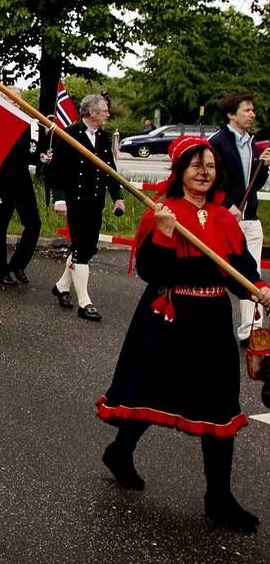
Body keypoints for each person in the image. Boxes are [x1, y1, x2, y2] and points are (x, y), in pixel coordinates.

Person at [96, 136, 270, 533]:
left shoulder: (226, 218)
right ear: (179, 171)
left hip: (211, 320)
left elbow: (239, 269)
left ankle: (219, 496)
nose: (204, 172)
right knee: (150, 391)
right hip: (167, 318)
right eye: (195, 165)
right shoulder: (163, 213)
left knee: (219, 402)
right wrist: (164, 233)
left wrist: (257, 288)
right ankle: (120, 452)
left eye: (209, 165)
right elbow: (153, 271)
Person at [47, 93, 125, 321]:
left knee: (87, 248)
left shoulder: (103, 136)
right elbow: (54, 171)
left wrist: (117, 196)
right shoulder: (69, 134)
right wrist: (60, 199)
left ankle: (61, 286)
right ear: (91, 112)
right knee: (82, 250)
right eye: (103, 111)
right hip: (75, 200)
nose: (107, 114)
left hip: (95, 201)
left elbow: (109, 168)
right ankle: (84, 301)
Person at [208, 93, 270, 346]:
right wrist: (226, 205)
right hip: (225, 220)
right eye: (247, 110)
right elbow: (209, 179)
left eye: (253, 110)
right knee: (215, 272)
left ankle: (251, 331)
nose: (252, 114)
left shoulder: (254, 145)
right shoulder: (218, 142)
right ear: (231, 114)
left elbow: (256, 184)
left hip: (251, 219)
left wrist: (264, 165)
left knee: (251, 273)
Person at [0, 105, 46, 285]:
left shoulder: (27, 125)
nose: (15, 105)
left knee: (34, 223)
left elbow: (29, 154)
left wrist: (41, 158)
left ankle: (17, 264)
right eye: (10, 100)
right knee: (0, 229)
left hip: (22, 182)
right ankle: (2, 272)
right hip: (2, 182)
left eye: (17, 102)